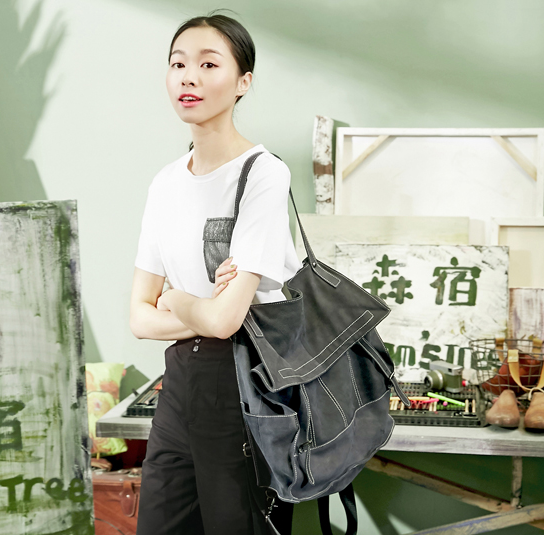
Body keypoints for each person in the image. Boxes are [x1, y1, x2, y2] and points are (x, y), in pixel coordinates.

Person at [129, 9, 301, 535]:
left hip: (247, 385)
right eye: (178, 64)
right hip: (180, 382)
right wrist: (203, 310)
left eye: (208, 64)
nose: (189, 77)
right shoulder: (165, 184)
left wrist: (178, 300)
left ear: (243, 81)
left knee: (237, 525)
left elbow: (225, 323)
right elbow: (139, 318)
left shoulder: (263, 174)